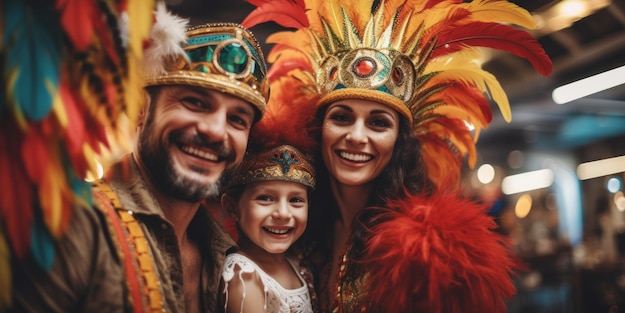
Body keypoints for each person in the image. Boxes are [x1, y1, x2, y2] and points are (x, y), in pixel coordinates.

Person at [242, 0, 553, 312]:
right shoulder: (293, 224)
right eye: (342, 117)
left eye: (378, 123)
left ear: (400, 141)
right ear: (320, 127)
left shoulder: (434, 252)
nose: (357, 136)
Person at [4, 3, 269, 313]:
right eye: (195, 102)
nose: (215, 131)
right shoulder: (73, 225)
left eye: (237, 120)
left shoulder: (232, 257)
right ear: (142, 108)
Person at [217, 75, 319, 313]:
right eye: (265, 198)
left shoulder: (297, 264)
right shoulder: (243, 278)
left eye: (295, 200)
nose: (283, 213)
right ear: (233, 207)